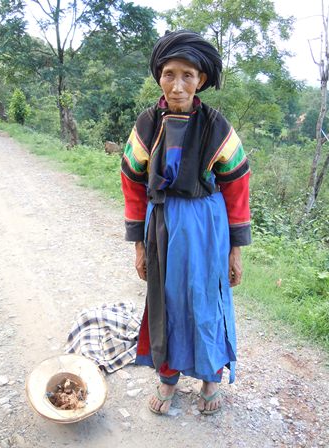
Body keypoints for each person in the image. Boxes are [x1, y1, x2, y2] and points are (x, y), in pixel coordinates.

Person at [121, 30, 251, 415]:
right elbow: (132, 183)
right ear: (159, 76)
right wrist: (139, 245)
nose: (178, 85)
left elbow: (237, 186)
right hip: (161, 223)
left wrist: (235, 250)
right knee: (167, 299)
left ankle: (211, 376)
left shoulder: (216, 126)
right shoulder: (147, 123)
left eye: (188, 76)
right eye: (169, 74)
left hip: (208, 226)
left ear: (202, 80)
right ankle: (168, 377)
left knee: (207, 298)